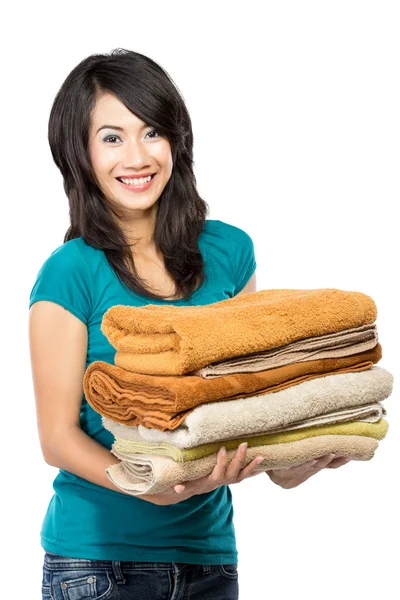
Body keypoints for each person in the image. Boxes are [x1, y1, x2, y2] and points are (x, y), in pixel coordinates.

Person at [29, 48, 350, 600]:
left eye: (152, 131)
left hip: (210, 560)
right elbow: (57, 438)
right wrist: (148, 488)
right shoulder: (69, 272)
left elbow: (245, 401)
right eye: (111, 137)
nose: (136, 156)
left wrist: (295, 463)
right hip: (100, 562)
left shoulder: (230, 252)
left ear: (176, 139)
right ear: (79, 152)